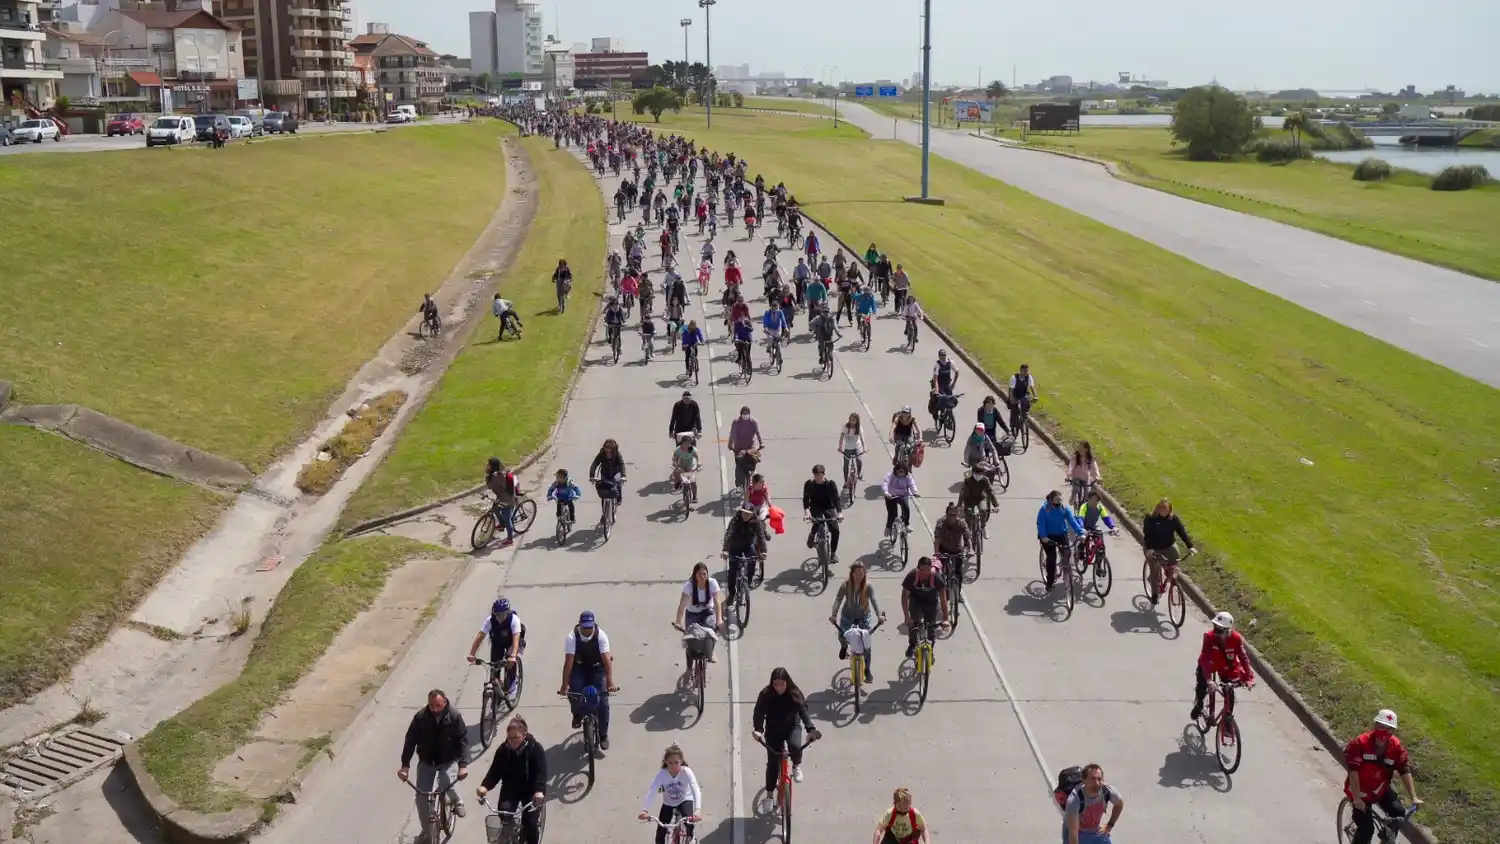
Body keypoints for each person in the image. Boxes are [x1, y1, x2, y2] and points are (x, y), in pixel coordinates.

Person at [1343, 710, 1421, 844]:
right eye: (1381, 726)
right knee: (1366, 830)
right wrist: (1356, 799)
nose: (1384, 731)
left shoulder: (1396, 748)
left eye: (1389, 728)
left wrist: (1414, 797)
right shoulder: (1360, 743)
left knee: (1398, 812)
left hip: (1380, 787)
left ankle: (1387, 838)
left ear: (1393, 731)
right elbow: (1353, 772)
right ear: (1375, 725)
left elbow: (1404, 770)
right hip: (1360, 791)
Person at [398, 690, 470, 832]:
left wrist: (463, 765)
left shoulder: (454, 717)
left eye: (438, 705)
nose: (435, 709)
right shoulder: (420, 718)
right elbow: (410, 741)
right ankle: (427, 831)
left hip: (447, 759)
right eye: (432, 706)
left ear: (445, 702)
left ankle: (457, 801)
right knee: (422, 797)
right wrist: (405, 766)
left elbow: (463, 740)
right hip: (427, 761)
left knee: (446, 782)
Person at [752, 668, 820, 812]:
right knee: (773, 763)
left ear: (787, 682)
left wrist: (811, 729)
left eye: (782, 684)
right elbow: (759, 712)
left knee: (795, 746)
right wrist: (758, 730)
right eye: (776, 684)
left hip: (791, 727)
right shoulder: (766, 694)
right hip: (773, 730)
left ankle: (796, 766)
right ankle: (769, 796)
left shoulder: (794, 693)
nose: (779, 688)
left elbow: (803, 712)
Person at [476, 715, 546, 844]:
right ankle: (511, 832)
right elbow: (494, 772)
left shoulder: (535, 749)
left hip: (531, 790)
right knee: (504, 813)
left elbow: (541, 772)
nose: (512, 741)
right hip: (511, 788)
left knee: (530, 822)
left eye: (516, 737)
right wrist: (484, 786)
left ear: (524, 735)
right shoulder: (503, 750)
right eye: (509, 738)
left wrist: (539, 791)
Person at [558, 610, 617, 750]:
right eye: (584, 627)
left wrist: (610, 683)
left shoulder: (601, 636)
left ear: (594, 625)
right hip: (579, 667)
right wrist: (564, 685)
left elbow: (607, 661)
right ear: (580, 625)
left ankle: (603, 735)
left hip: (597, 668)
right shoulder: (572, 637)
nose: (587, 630)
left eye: (590, 627)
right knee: (574, 691)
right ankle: (577, 714)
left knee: (603, 702)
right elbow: (568, 663)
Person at [1191, 611, 1256, 721]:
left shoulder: (1236, 638)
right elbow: (1206, 658)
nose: (1215, 632)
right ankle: (1199, 704)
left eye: (1219, 630)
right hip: (1209, 665)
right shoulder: (1209, 637)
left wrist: (1249, 678)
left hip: (1225, 667)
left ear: (1227, 630)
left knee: (1229, 692)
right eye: (1215, 628)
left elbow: (1243, 658)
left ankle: (1227, 720)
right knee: (1202, 685)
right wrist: (1208, 679)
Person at [638, 743, 703, 844]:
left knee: (689, 822)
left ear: (681, 761)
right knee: (661, 831)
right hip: (668, 803)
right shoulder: (662, 774)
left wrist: (697, 810)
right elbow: (653, 791)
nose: (673, 766)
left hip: (684, 799)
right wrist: (645, 810)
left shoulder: (686, 772)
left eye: (676, 762)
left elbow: (695, 789)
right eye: (670, 763)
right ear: (666, 762)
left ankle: (691, 837)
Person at [830, 560, 884, 680]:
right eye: (856, 573)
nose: (859, 576)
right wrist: (834, 615)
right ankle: (844, 646)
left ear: (864, 574)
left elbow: (874, 601)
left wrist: (879, 615)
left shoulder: (868, 586)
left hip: (864, 616)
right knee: (842, 635)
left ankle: (867, 669)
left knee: (866, 644)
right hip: (848, 615)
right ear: (852, 574)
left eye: (861, 573)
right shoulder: (845, 585)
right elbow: (838, 600)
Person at [1142, 498, 1196, 606]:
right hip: (1153, 547)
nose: (1163, 511)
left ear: (1170, 509)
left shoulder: (1173, 519)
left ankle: (1171, 576)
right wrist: (1150, 549)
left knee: (1175, 560)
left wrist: (1190, 546)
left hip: (1168, 545)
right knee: (1155, 569)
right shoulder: (1151, 518)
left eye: (1166, 509)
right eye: (1161, 508)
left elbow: (1182, 532)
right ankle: (1154, 595)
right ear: (1157, 508)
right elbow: (1147, 535)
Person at [467, 598, 526, 695]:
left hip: (512, 641)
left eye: (502, 615)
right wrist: (472, 653)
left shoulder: (514, 620)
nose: (500, 618)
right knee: (494, 663)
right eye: (497, 614)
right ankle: (497, 684)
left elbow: (516, 639)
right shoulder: (490, 620)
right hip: (498, 641)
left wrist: (513, 656)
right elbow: (480, 636)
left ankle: (512, 682)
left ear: (507, 612)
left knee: (510, 660)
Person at [1063, 764, 1124, 844]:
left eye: (1099, 779)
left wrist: (1110, 825)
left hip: (1096, 830)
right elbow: (1073, 833)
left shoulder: (1107, 791)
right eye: (1092, 779)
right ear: (1084, 780)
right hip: (1078, 833)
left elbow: (1119, 804)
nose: (1097, 783)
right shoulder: (1074, 800)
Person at [1036, 490, 1085, 591]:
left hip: (1061, 534)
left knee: (1067, 554)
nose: (1058, 503)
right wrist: (1043, 536)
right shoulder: (1044, 509)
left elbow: (1072, 521)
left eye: (1060, 500)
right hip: (1048, 536)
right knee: (1051, 558)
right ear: (1050, 500)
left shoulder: (1064, 508)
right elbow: (1040, 523)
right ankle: (1050, 582)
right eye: (1056, 500)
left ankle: (1066, 574)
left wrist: (1081, 533)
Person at [901, 558, 948, 660]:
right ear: (917, 569)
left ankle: (930, 650)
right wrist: (906, 617)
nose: (925, 573)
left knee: (931, 628)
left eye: (927, 570)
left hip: (931, 602)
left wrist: (946, 619)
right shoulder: (912, 576)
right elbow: (904, 598)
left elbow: (943, 600)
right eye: (922, 570)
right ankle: (912, 644)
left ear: (931, 569)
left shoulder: (937, 578)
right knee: (915, 625)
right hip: (916, 601)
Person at [721, 505, 770, 603]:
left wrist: (763, 551)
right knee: (732, 570)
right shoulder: (735, 520)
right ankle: (732, 593)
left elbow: (760, 536)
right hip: (735, 546)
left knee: (752, 560)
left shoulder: (756, 522)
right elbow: (729, 534)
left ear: (752, 514)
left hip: (748, 545)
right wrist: (725, 550)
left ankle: (749, 580)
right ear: (741, 512)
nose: (746, 515)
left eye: (748, 514)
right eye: (744, 513)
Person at [800, 462, 844, 562]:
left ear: (824, 474)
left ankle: (833, 554)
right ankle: (812, 535)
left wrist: (839, 512)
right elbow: (806, 498)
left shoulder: (830, 484)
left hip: (828, 507)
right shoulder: (809, 484)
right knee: (818, 521)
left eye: (820, 475)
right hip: (815, 507)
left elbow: (836, 499)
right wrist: (807, 511)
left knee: (835, 530)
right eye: (816, 475)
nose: (818, 477)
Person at [675, 561, 724, 637]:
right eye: (699, 574)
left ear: (707, 574)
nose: (702, 577)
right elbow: (682, 604)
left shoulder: (712, 583)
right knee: (690, 636)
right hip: (692, 614)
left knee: (711, 633)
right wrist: (678, 621)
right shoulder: (689, 585)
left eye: (704, 574)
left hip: (708, 612)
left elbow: (717, 601)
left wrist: (719, 620)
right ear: (695, 575)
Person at [588, 439, 627, 525]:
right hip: (605, 474)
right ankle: (604, 514)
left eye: (610, 448)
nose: (608, 450)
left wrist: (623, 476)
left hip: (615, 473)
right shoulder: (601, 454)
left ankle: (619, 498)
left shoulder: (617, 454)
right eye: (606, 447)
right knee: (604, 494)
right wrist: (592, 475)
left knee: (618, 484)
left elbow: (621, 464)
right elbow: (594, 464)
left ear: (613, 448)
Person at [485, 457, 522, 546]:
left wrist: (486, 475)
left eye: (488, 464)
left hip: (507, 499)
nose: (487, 465)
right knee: (495, 508)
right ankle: (502, 524)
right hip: (502, 495)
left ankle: (509, 540)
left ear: (493, 466)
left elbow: (490, 486)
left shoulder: (497, 475)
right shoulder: (498, 473)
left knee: (507, 518)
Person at [957, 468, 1000, 538]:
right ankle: (968, 529)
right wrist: (959, 505)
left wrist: (996, 505)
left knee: (983, 510)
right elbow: (963, 493)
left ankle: (983, 527)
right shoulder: (968, 480)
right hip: (969, 499)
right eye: (976, 473)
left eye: (980, 473)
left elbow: (990, 492)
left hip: (981, 498)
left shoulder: (985, 480)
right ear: (973, 473)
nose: (978, 475)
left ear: (983, 474)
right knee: (968, 514)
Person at [882, 461, 919, 539]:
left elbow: (912, 484)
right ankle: (888, 527)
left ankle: (906, 525)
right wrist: (886, 493)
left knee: (906, 508)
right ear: (896, 471)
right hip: (891, 495)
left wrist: (915, 492)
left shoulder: (908, 477)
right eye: (899, 472)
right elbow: (885, 483)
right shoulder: (891, 475)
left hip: (903, 495)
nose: (901, 474)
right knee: (892, 514)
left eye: (903, 472)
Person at [928, 350, 960, 423]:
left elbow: (957, 372)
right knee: (940, 399)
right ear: (939, 356)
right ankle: (935, 412)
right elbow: (935, 378)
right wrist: (937, 388)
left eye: (944, 355)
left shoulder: (950, 362)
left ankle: (949, 416)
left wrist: (953, 383)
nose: (943, 357)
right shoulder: (937, 364)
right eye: (941, 356)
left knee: (950, 399)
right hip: (939, 384)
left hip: (947, 384)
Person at [1008, 363, 1038, 437]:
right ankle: (1013, 426)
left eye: (1027, 371)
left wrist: (1035, 396)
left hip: (1024, 394)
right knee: (1014, 411)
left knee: (1026, 403)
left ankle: (1024, 417)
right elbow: (1011, 389)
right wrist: (1012, 399)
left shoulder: (1029, 377)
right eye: (1025, 371)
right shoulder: (1014, 377)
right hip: (1015, 394)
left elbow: (1032, 387)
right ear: (1021, 370)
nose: (1026, 373)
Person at [838, 413, 866, 481]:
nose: (852, 422)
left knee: (859, 460)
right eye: (851, 420)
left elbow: (862, 439)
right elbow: (841, 437)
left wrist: (864, 448)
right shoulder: (846, 427)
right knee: (846, 464)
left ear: (857, 421)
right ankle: (846, 481)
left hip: (857, 447)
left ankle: (859, 473)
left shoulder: (859, 428)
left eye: (854, 420)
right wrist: (840, 446)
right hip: (848, 448)